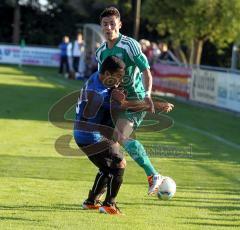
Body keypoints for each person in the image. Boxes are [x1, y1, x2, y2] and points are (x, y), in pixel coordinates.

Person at [96, 7, 170, 195]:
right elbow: (102, 79)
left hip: (136, 99)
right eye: (105, 24)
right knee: (109, 143)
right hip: (117, 102)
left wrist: (147, 94)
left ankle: (153, 175)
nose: (109, 27)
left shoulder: (130, 45)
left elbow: (146, 70)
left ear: (119, 25)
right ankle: (106, 177)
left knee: (121, 135)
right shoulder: (100, 52)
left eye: (113, 23)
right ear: (101, 26)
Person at [74, 56, 126, 215]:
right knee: (119, 163)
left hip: (80, 134)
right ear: (108, 73)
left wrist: (113, 89)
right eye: (117, 76)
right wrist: (119, 101)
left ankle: (91, 202)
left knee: (106, 167)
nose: (119, 80)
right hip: (92, 136)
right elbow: (116, 110)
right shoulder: (99, 93)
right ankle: (109, 204)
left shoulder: (95, 77)